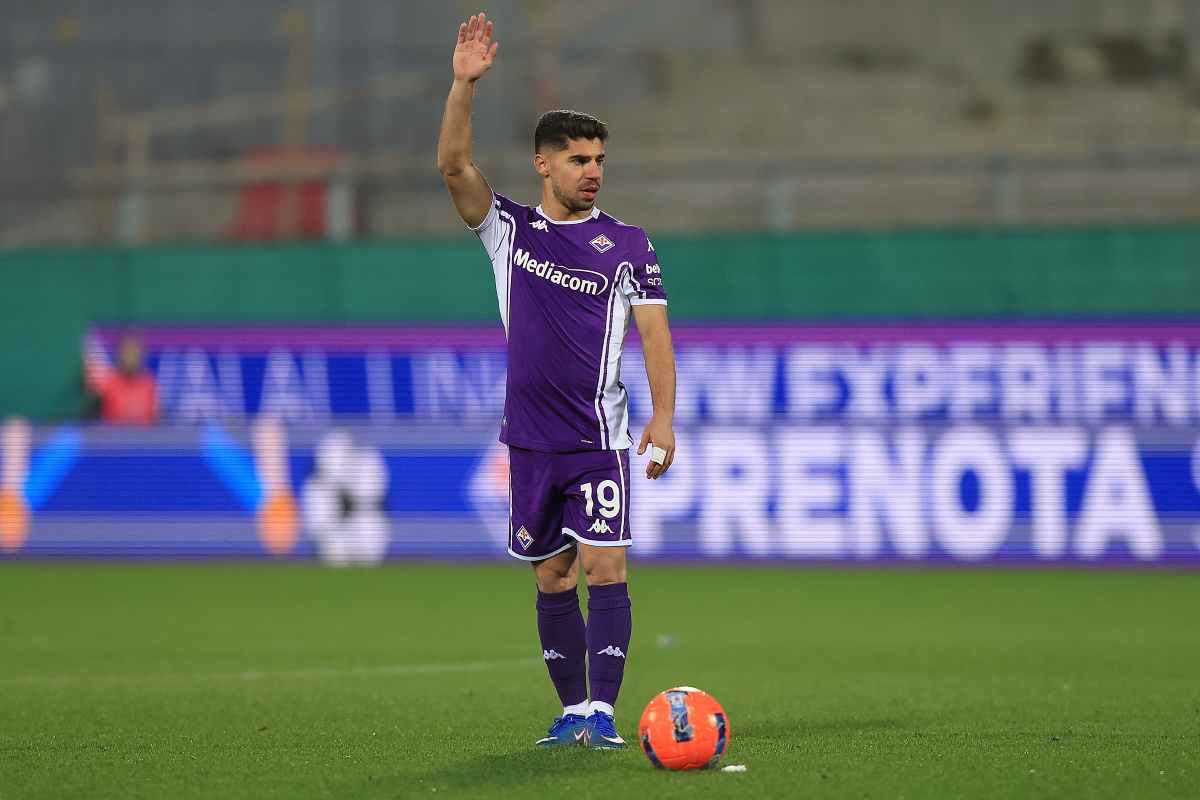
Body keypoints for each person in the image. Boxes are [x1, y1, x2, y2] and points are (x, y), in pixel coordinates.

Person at [436, 13, 678, 750]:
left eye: (599, 157)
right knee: (552, 581)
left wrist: (662, 418)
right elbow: (452, 168)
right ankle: (572, 710)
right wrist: (461, 87)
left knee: (606, 567)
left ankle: (603, 713)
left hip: (598, 436)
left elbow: (655, 332)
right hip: (531, 439)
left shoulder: (629, 244)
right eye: (577, 159)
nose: (593, 170)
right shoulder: (509, 230)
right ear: (544, 165)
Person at [84, 334, 158, 425]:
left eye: (134, 353)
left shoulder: (149, 385)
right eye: (127, 353)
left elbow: (155, 420)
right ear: (120, 354)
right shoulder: (109, 384)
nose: (131, 358)